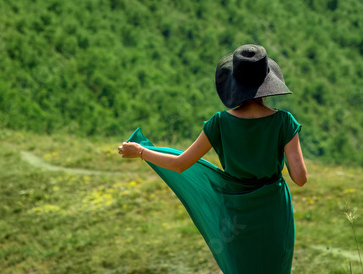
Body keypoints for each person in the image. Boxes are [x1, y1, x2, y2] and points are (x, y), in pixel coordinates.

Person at [118, 44, 307, 274]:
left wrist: (140, 151)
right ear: (267, 83)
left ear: (234, 83)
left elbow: (180, 164)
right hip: (273, 216)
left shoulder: (219, 123)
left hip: (235, 219)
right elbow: (300, 178)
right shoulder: (284, 122)